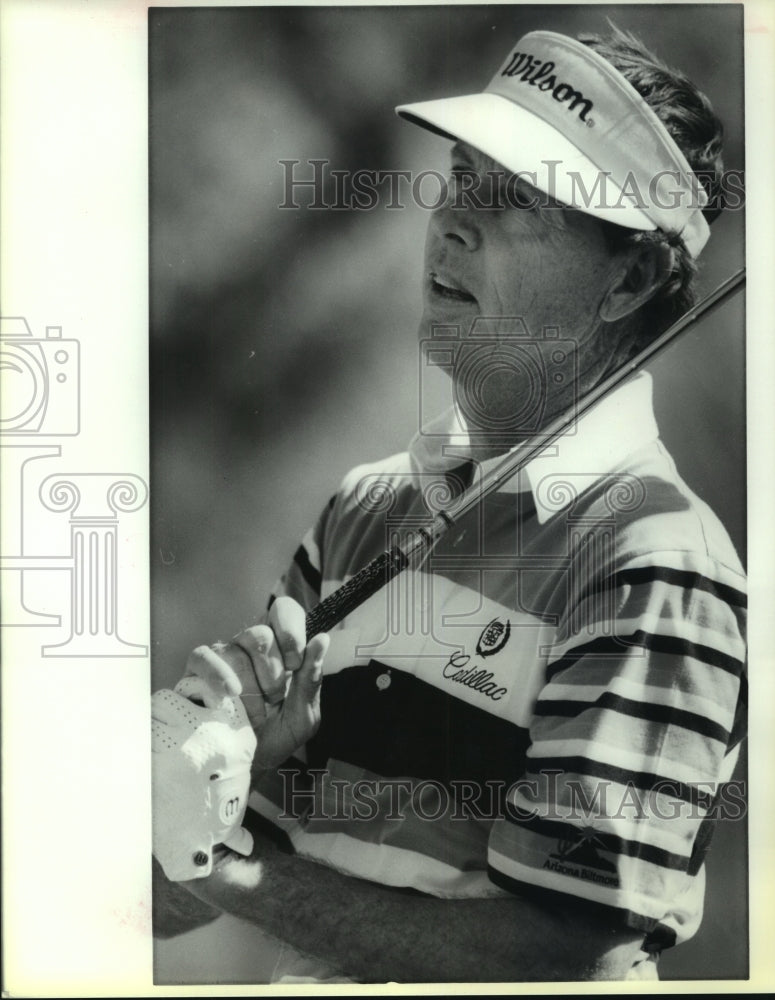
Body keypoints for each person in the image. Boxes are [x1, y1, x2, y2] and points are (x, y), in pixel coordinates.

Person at [152, 25, 746, 983]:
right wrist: (215, 778)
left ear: (629, 278)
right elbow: (157, 900)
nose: (453, 221)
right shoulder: (362, 508)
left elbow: (562, 954)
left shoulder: (655, 558)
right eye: (461, 177)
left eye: (514, 200)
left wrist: (219, 865)